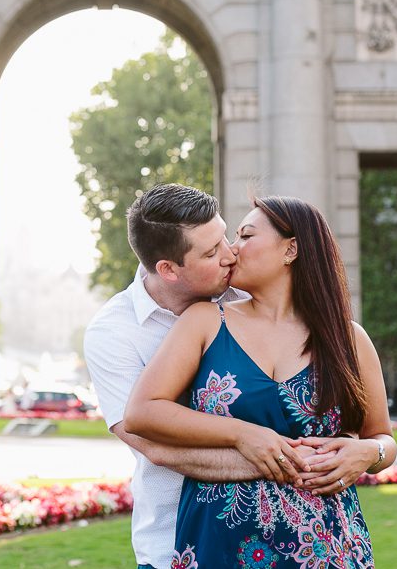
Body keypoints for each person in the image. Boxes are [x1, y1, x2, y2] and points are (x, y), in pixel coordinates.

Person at [123, 195, 397, 568]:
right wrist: (241, 433)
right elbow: (142, 413)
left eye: (245, 236)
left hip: (325, 546)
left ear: (291, 249)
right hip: (218, 545)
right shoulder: (205, 320)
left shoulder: (349, 339)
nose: (232, 251)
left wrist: (369, 452)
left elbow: (382, 438)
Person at [84, 184, 332, 569]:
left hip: (287, 536)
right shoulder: (113, 333)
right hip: (174, 542)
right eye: (211, 252)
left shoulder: (244, 297)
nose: (230, 254)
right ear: (168, 269)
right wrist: (285, 460)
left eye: (226, 236)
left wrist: (367, 449)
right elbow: (154, 447)